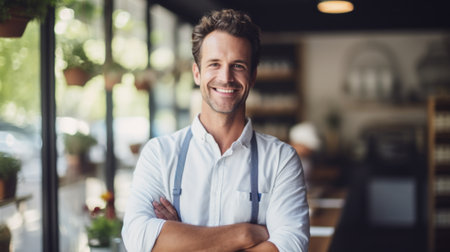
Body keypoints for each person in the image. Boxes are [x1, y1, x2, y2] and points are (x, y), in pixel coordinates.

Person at [122, 9, 309, 252]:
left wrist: (180, 240)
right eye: (214, 64)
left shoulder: (281, 159)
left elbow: (291, 247)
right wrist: (245, 235)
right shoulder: (159, 154)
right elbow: (137, 239)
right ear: (197, 73)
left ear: (252, 76)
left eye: (238, 66)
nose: (226, 77)